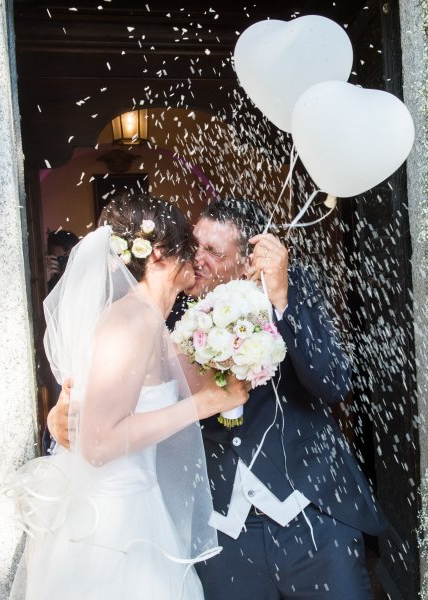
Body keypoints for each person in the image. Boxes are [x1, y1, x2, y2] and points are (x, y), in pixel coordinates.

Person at [50, 198, 387, 599]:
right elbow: (114, 394)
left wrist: (281, 302)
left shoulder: (289, 289)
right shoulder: (164, 306)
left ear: (247, 262)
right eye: (195, 246)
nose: (198, 259)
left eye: (213, 251)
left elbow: (332, 383)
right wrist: (63, 415)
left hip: (310, 512)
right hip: (222, 527)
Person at [8, 194, 249, 600]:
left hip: (141, 507)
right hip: (114, 527)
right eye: (189, 249)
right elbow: (100, 442)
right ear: (157, 254)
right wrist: (204, 405)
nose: (197, 259)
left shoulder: (152, 319)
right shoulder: (130, 320)